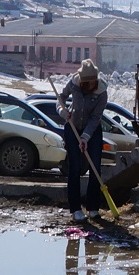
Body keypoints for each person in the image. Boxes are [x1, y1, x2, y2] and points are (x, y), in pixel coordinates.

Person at [57, 59, 108, 222]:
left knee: (95, 167)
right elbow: (60, 98)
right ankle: (76, 209)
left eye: (92, 82)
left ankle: (93, 208)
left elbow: (96, 117)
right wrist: (62, 111)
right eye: (86, 83)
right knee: (75, 167)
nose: (89, 85)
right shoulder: (73, 84)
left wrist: (86, 137)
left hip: (93, 131)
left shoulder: (101, 92)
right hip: (72, 128)